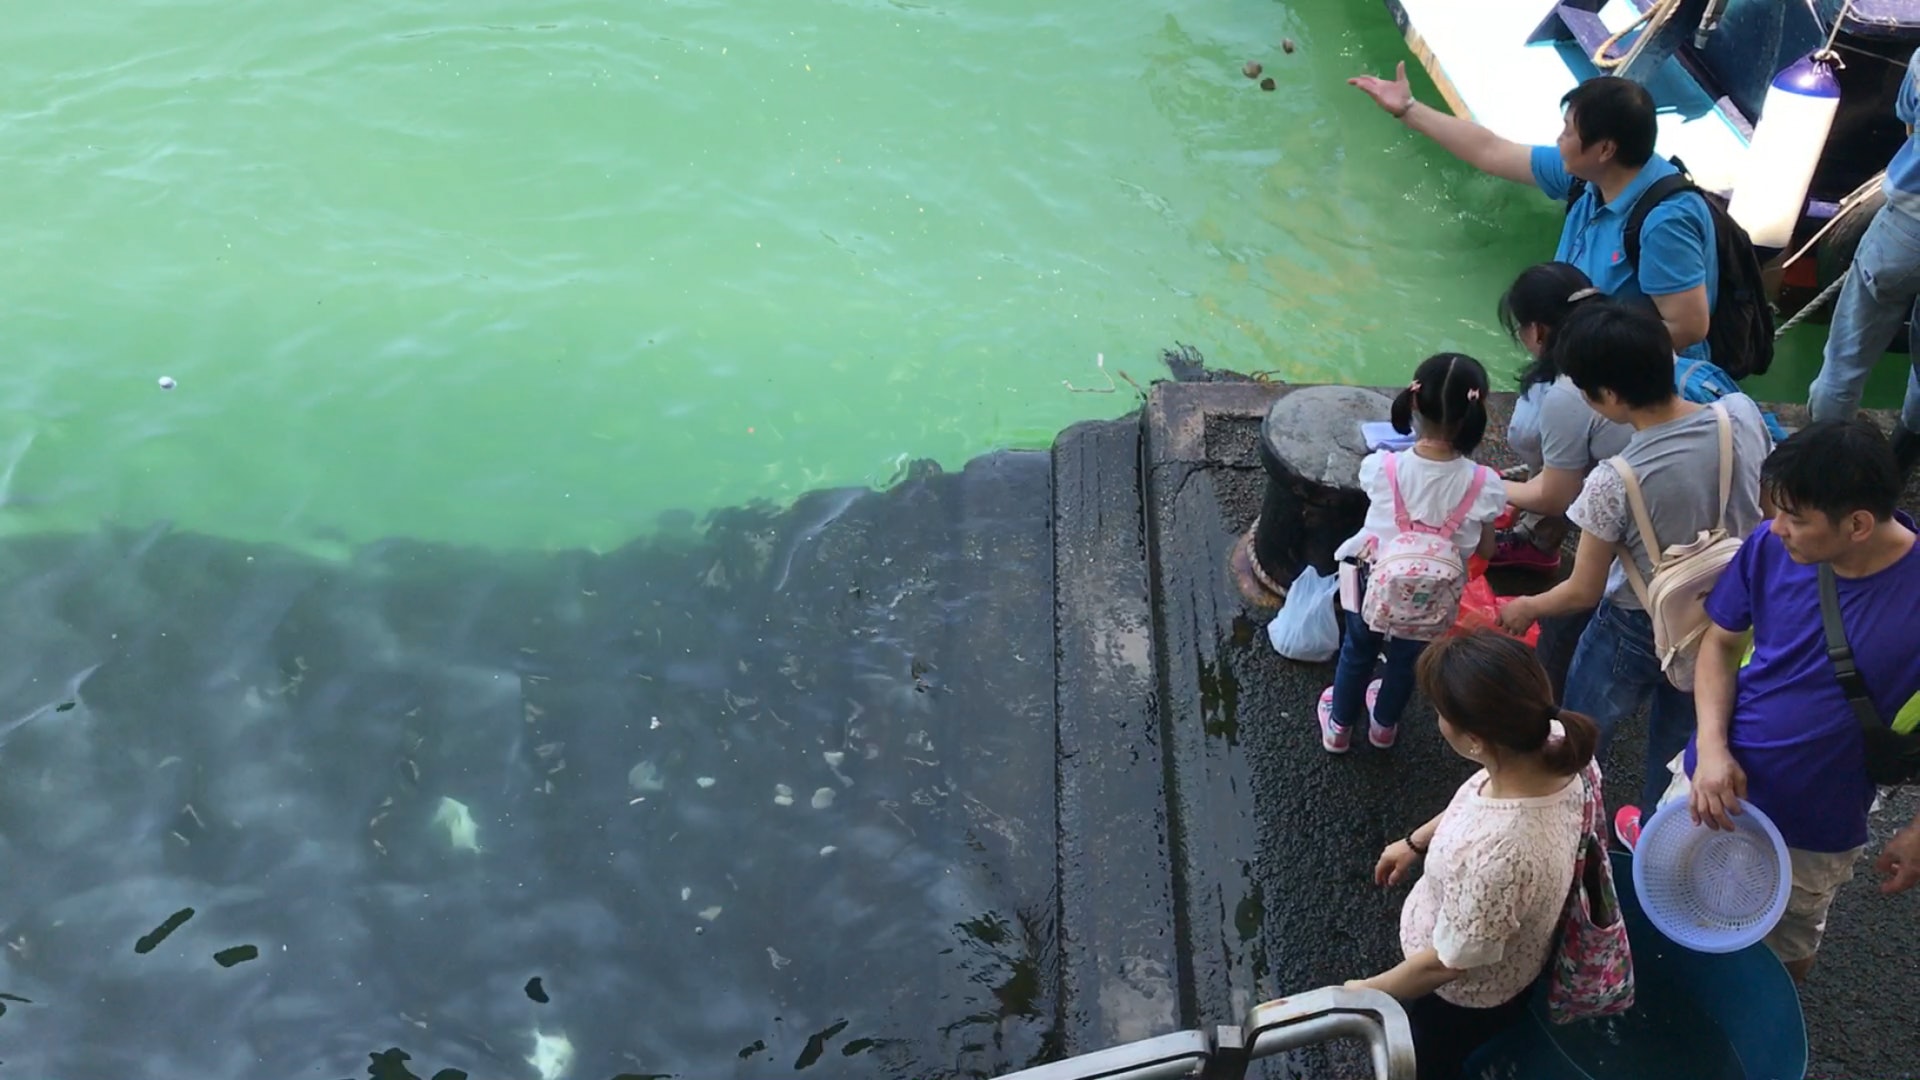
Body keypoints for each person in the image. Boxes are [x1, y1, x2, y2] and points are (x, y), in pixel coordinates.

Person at [1496, 301, 1772, 830]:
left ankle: (1558, 819)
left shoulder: (1614, 481)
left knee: (1581, 726)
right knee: (1678, 739)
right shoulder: (1739, 416)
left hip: (1636, 625)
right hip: (1725, 619)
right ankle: (1654, 830)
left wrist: (1527, 606)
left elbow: (1581, 591)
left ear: (1610, 397)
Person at [1663, 420, 1920, 982]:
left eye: (1795, 519)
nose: (1775, 529)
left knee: (1784, 951)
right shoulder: (1769, 547)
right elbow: (1722, 644)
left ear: (1856, 524)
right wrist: (1710, 750)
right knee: (1675, 905)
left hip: (1817, 821)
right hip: (1711, 779)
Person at [1347, 629, 1600, 1080]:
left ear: (1477, 739)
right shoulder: (1556, 740)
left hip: (1466, 997)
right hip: (1510, 958)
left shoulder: (1501, 856)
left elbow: (1447, 963)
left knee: (1432, 1060)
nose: (1437, 720)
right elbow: (1478, 799)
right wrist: (1416, 841)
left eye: (1442, 713)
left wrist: (1365, 992)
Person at [1348, 66, 1718, 365]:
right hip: (1585, 356)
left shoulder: (1665, 222)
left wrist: (1585, 345)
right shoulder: (1587, 174)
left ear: (1605, 149)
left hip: (1638, 377)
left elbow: (1688, 328)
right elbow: (1491, 151)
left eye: (1568, 131)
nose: (1559, 139)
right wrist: (1407, 108)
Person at [1320, 354, 1506, 752]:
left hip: (1375, 582)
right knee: (1408, 661)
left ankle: (1338, 728)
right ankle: (1384, 727)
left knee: (1357, 651)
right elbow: (1486, 550)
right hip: (1434, 595)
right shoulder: (1484, 484)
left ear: (1414, 403)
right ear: (1476, 413)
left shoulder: (1381, 468)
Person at [1806, 51, 1920, 480]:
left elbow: (1908, 123)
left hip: (1907, 226)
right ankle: (1903, 455)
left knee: (1846, 359)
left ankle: (1822, 466)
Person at [1495, 262, 1633, 573]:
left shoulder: (1569, 391)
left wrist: (1475, 484)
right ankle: (1538, 539)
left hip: (1650, 540)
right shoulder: (1629, 343)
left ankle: (1537, 543)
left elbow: (1553, 497)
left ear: (1537, 330)